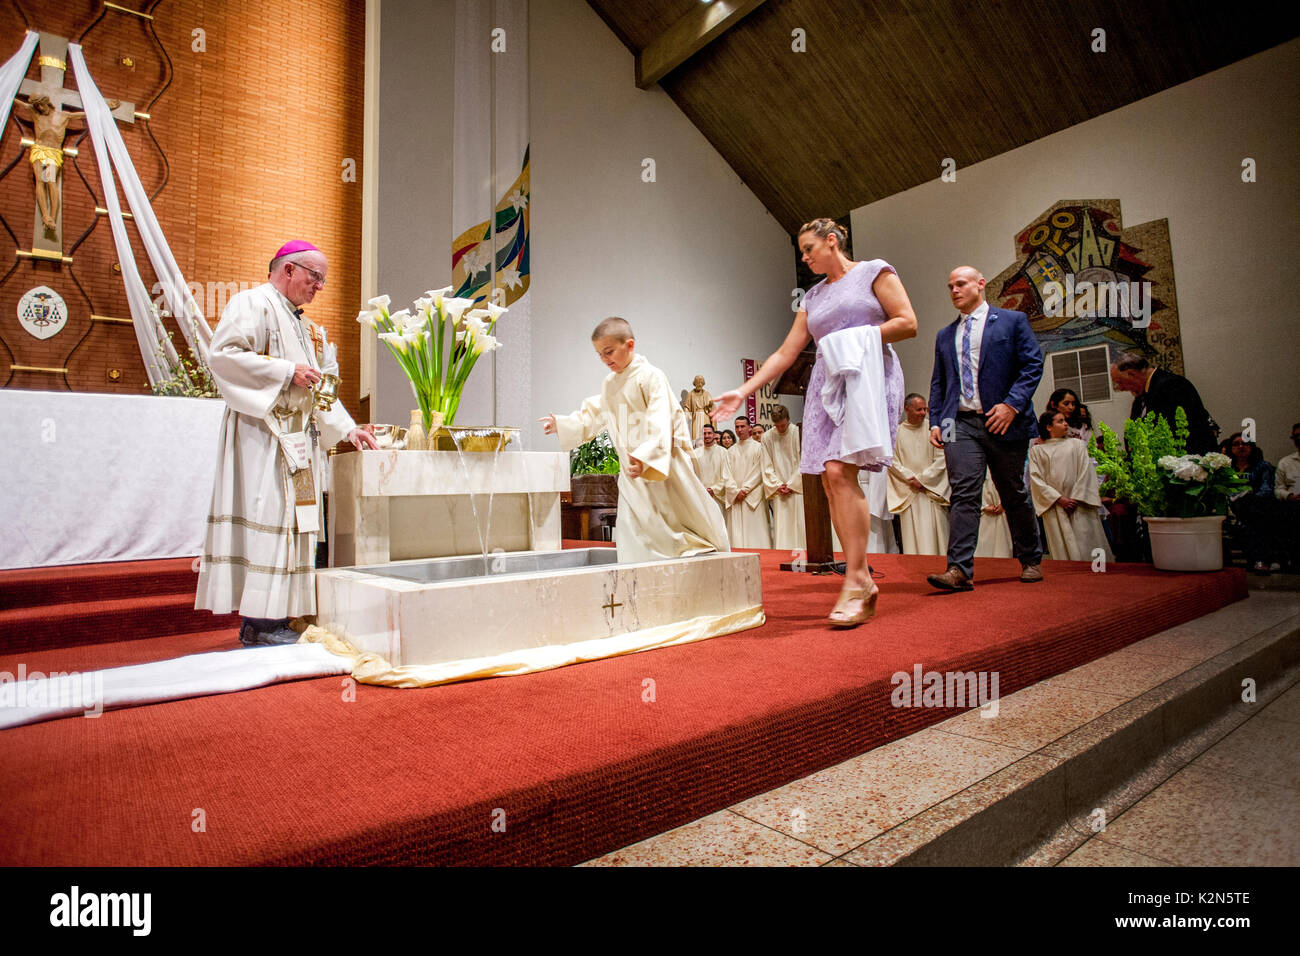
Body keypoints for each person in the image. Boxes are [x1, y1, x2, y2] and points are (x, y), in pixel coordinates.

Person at [713, 218, 916, 626]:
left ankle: (857, 580)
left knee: (841, 470)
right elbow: (787, 352)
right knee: (828, 479)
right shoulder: (813, 296)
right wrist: (744, 390)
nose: (804, 258)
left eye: (809, 249)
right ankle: (858, 577)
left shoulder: (875, 271)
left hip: (866, 380)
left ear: (832, 241)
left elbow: (907, 323)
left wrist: (853, 339)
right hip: (827, 386)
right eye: (801, 252)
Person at [196, 241, 378, 646]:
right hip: (263, 437)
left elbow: (324, 387)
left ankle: (280, 617)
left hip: (301, 444)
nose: (319, 287)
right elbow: (223, 356)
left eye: (323, 280)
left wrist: (347, 429)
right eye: (315, 277)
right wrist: (284, 371)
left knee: (295, 527)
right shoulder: (252, 303)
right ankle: (258, 624)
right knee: (270, 524)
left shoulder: (312, 329)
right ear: (289, 270)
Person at [541, 318, 728, 563]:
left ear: (629, 345)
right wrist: (563, 424)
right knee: (635, 529)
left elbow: (661, 418)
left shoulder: (651, 376)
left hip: (662, 466)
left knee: (677, 523)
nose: (605, 359)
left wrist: (646, 456)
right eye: (600, 355)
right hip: (631, 470)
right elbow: (596, 413)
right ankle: (640, 575)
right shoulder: (610, 383)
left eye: (609, 352)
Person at [926, 266, 1044, 591]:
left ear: (980, 284)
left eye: (960, 284)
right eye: (950, 286)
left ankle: (1031, 558)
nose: (954, 290)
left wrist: (1011, 405)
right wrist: (937, 421)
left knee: (1013, 492)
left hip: (1004, 420)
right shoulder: (944, 335)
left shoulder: (1012, 321)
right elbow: (940, 384)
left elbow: (1033, 364)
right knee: (963, 493)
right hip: (960, 423)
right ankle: (959, 570)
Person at [1029, 411, 1113, 562]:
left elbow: (1086, 472)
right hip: (1056, 506)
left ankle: (1098, 573)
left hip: (1080, 504)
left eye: (1065, 420)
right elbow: (1036, 479)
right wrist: (1059, 499)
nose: (1066, 424)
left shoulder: (1077, 444)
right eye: (1060, 421)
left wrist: (1075, 498)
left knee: (1088, 543)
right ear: (1048, 427)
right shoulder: (1037, 450)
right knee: (1063, 546)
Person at [1109, 351, 1216, 453]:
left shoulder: (1173, 386)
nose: (1121, 388)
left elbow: (1182, 432)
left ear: (1131, 374)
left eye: (1120, 382)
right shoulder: (1141, 396)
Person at [887, 393, 949, 555]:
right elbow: (892, 461)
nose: (923, 413)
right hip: (910, 492)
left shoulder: (933, 430)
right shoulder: (896, 433)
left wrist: (923, 479)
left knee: (937, 537)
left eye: (925, 409)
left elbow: (942, 458)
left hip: (930, 491)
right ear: (907, 409)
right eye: (919, 409)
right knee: (913, 541)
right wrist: (910, 478)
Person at [1226, 432, 1279, 573]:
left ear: (1252, 447)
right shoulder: (1226, 469)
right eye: (1236, 444)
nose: (1241, 446)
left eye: (1245, 443)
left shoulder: (1262, 466)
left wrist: (1248, 498)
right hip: (1230, 506)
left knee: (1254, 515)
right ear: (1231, 448)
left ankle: (1260, 559)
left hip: (1256, 506)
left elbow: (1267, 489)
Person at [761, 404, 805, 550]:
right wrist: (778, 484)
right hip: (780, 490)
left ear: (788, 419)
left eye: (783, 425)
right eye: (777, 426)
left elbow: (803, 461)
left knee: (799, 525)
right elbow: (766, 465)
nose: (781, 429)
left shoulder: (798, 432)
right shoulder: (767, 437)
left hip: (798, 489)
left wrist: (792, 484)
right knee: (782, 527)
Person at [724, 416, 772, 548]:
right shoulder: (730, 451)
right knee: (737, 536)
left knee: (756, 534)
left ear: (749, 427)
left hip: (752, 496)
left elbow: (758, 472)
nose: (739, 430)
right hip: (736, 498)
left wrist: (744, 489)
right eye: (737, 427)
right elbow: (726, 475)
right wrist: (734, 491)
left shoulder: (759, 448)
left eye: (742, 426)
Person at [696, 423, 735, 515]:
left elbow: (727, 475)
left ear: (714, 434)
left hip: (718, 496)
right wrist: (701, 490)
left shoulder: (723, 452)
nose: (707, 436)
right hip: (701, 495)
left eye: (709, 433)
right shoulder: (695, 454)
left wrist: (713, 489)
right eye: (704, 433)